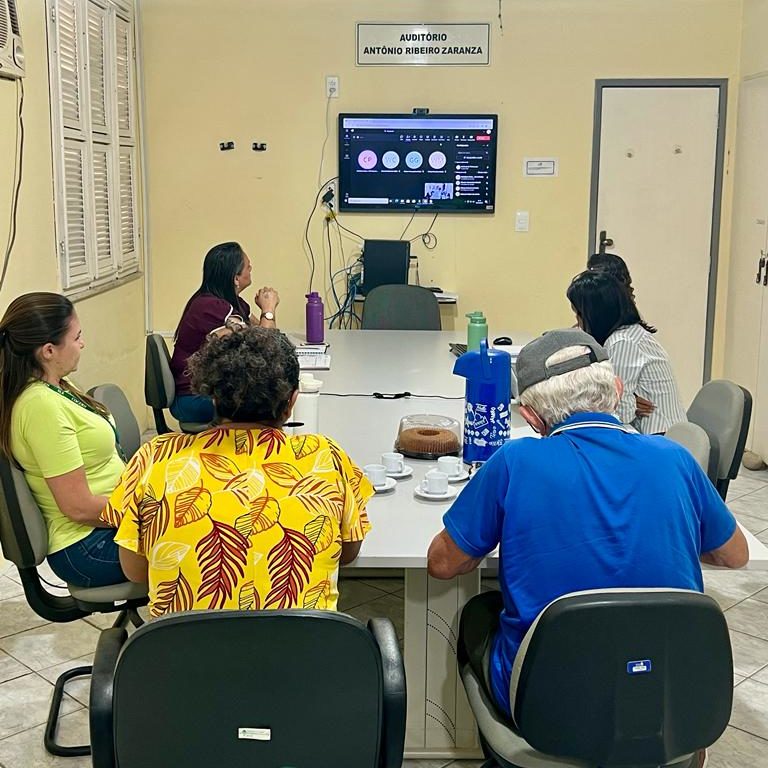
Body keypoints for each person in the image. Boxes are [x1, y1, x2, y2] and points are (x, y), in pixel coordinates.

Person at [427, 328, 747, 726]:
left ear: (530, 416)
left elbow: (442, 564)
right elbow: (734, 555)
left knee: (478, 611)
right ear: (615, 388)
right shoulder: (675, 459)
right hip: (667, 695)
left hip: (549, 702)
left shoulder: (515, 461)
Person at [103, 327, 373, 618]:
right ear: (291, 402)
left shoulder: (155, 458)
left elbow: (135, 571)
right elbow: (348, 553)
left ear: (213, 398)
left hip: (184, 660)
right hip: (301, 659)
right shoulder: (325, 457)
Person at [0, 293, 126, 587]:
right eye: (77, 337)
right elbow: (78, 507)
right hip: (88, 545)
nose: (82, 344)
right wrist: (149, 512)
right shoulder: (40, 406)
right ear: (48, 351)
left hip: (106, 527)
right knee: (208, 548)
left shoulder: (57, 385)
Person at [170, 241, 280, 423]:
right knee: (267, 402)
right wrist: (268, 308)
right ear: (236, 278)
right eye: (247, 266)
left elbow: (267, 338)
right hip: (193, 398)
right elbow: (263, 346)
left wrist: (265, 314)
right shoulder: (210, 307)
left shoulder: (233, 303)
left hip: (215, 392)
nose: (251, 267)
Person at [567, 269, 686, 433]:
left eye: (578, 313)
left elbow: (620, 412)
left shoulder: (622, 342)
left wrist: (626, 403)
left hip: (658, 437)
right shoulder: (629, 332)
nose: (577, 321)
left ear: (595, 315)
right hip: (652, 434)